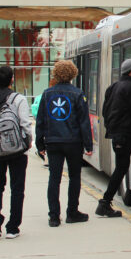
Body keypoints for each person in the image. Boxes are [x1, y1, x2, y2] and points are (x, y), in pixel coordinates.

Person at [35, 60, 93, 227]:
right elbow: (84, 122)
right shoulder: (78, 94)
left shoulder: (46, 94)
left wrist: (40, 144)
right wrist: (88, 144)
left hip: (53, 142)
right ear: (73, 74)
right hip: (73, 142)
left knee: (54, 178)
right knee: (74, 177)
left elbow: (40, 121)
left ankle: (54, 216)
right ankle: (72, 212)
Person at [0, 66, 33, 239]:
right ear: (12, 79)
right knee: (17, 188)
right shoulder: (19, 99)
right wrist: (28, 142)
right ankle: (13, 228)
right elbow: (25, 124)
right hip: (17, 151)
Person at [96, 59, 131, 218]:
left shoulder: (114, 86)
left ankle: (105, 202)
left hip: (117, 134)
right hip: (124, 135)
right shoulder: (130, 87)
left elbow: (104, 110)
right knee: (121, 168)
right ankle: (105, 202)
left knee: (121, 166)